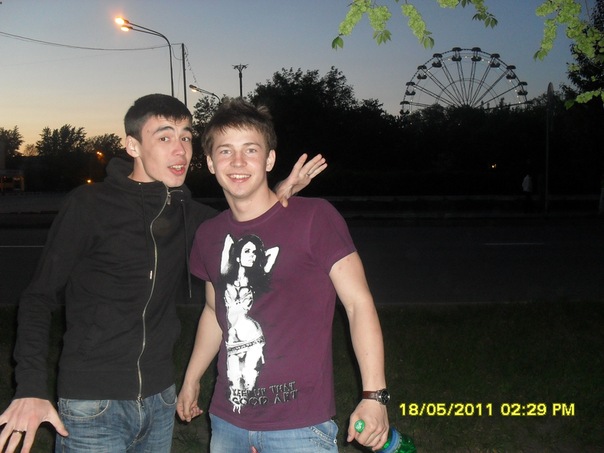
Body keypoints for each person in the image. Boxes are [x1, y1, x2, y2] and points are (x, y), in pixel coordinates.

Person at [0, 93, 326, 453]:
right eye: (165, 137)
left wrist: (277, 193)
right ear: (133, 146)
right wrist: (30, 386)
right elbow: (38, 297)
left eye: (186, 137)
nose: (180, 150)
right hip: (93, 402)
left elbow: (245, 220)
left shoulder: (192, 217)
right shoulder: (89, 205)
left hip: (160, 401)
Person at [177, 98, 390, 452]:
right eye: (226, 151)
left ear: (270, 159)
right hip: (228, 422)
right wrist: (191, 378)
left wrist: (374, 395)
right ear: (211, 163)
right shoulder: (209, 235)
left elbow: (358, 304)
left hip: (300, 428)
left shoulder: (314, 218)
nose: (238, 162)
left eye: (250, 149)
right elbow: (215, 313)